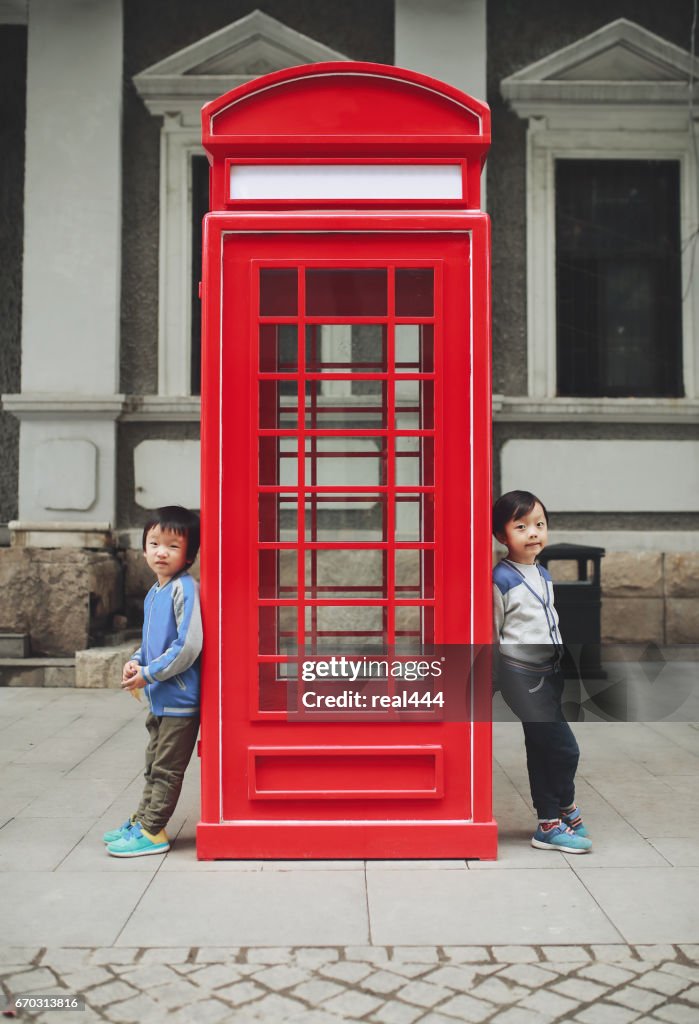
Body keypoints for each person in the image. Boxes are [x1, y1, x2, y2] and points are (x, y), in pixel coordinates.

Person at [493, 490, 592, 854]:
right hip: (522, 676)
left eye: (539, 524)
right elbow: (494, 631)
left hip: (549, 671)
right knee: (565, 749)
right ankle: (565, 806)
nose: (533, 532)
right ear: (502, 536)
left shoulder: (542, 573)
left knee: (541, 747)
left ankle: (549, 822)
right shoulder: (500, 579)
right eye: (521, 526)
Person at [103, 505, 202, 858]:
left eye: (173, 546)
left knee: (166, 769)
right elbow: (150, 642)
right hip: (160, 696)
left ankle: (154, 830)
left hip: (180, 698)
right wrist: (135, 662)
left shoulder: (185, 589)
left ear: (189, 555)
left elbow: (187, 646)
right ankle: (143, 820)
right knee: (152, 764)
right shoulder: (155, 591)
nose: (161, 551)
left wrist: (147, 673)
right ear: (144, 548)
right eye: (154, 543)